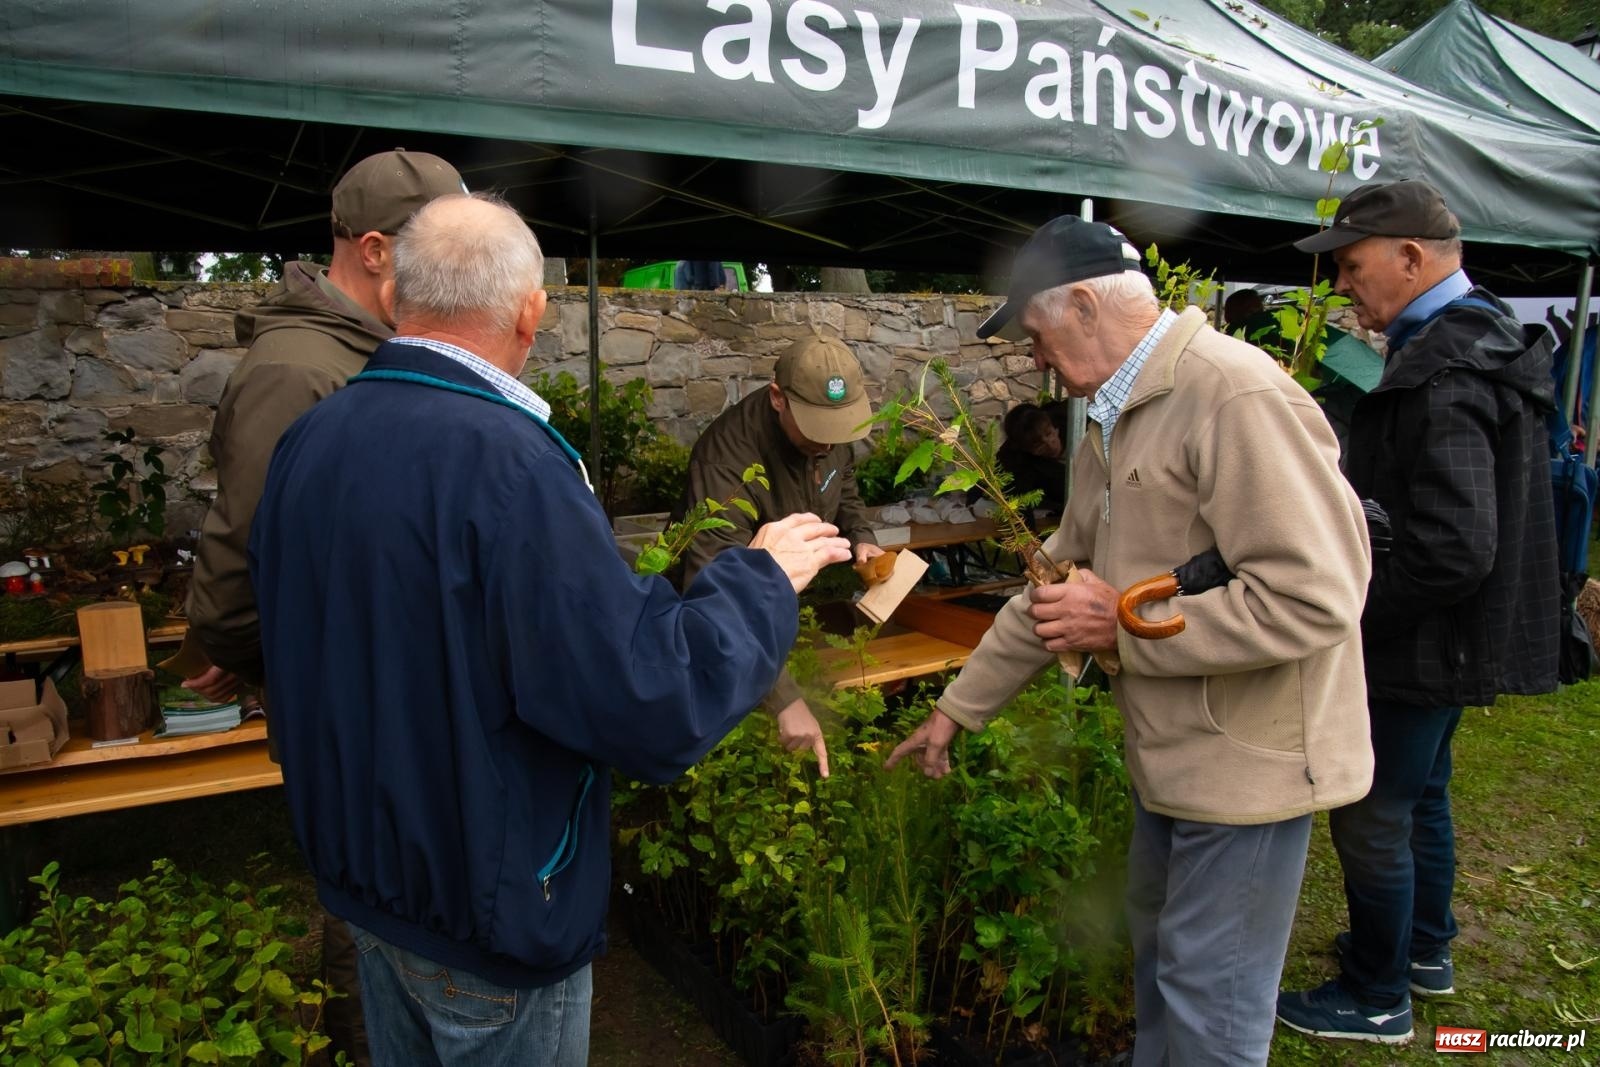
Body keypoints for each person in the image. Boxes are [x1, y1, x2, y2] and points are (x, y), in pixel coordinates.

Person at [248, 193, 851, 1064]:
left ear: (396, 298)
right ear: (532, 313)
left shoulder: (314, 436)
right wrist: (762, 579)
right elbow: (646, 696)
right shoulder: (515, 465)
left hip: (369, 890)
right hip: (485, 914)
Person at [884, 215, 1374, 1066]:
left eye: (1035, 334)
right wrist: (956, 713)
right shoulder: (1115, 420)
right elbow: (1054, 589)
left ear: (1081, 304)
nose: (1033, 360)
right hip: (1171, 758)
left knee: (1209, 1003)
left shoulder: (1235, 393)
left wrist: (1124, 628)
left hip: (1246, 765)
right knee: (1163, 970)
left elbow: (1317, 594)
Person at [177, 147, 466, 1064]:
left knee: (406, 868)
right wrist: (232, 640)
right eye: (440, 247)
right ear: (375, 251)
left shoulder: (376, 348)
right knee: (364, 886)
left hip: (387, 668)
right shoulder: (299, 368)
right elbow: (241, 541)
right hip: (342, 681)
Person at [1276, 179, 1559, 1044]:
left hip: (1418, 640)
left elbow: (1456, 545)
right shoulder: (1477, 339)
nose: (1344, 286)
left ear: (1411, 257)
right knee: (1422, 793)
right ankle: (1424, 949)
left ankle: (1375, 994)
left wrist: (1355, 621)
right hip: (1454, 636)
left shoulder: (1444, 367)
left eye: (1354, 266)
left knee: (1373, 813)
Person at [676, 336, 884, 778]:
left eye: (839, 428)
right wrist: (784, 698)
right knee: (736, 764)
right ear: (778, 398)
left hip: (782, 608)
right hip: (709, 638)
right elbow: (715, 594)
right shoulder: (724, 462)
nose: (828, 443)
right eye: (816, 430)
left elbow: (842, 480)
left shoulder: (829, 435)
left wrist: (861, 536)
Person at [995, 402, 1066, 514]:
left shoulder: (1070, 418)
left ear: (1053, 426)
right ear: (1026, 449)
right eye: (1039, 445)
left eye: (1049, 433)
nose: (1050, 445)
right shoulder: (1019, 460)